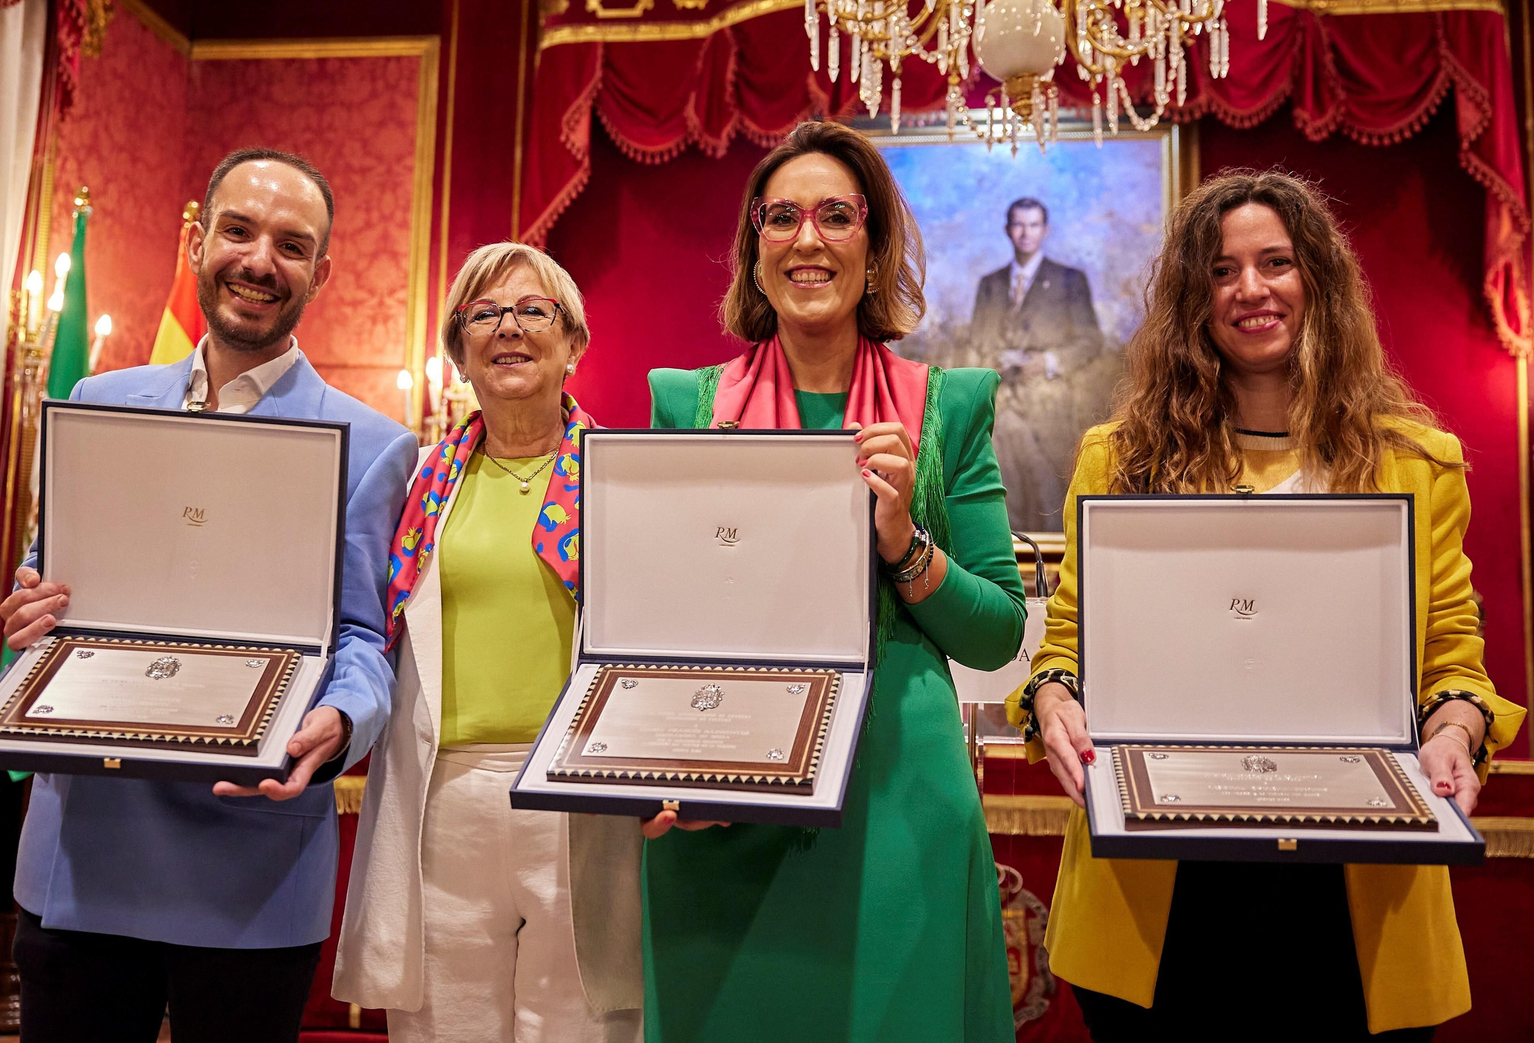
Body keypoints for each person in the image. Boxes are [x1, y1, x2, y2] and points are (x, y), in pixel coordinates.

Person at [1006, 170, 1528, 1040]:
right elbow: (1068, 647)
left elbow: (1452, 656)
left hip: (1355, 889)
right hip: (1159, 893)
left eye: (1276, 262)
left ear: (1317, 280)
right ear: (1190, 298)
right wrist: (1055, 697)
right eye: (1219, 269)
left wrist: (1453, 731)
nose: (1250, 288)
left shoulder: (1418, 462)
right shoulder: (1121, 460)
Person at [0, 148, 416, 1043]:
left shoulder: (373, 444)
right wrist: (32, 606)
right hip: (85, 853)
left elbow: (362, 639)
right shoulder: (98, 399)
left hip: (248, 871)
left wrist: (342, 722)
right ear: (197, 241)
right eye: (238, 230)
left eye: (292, 245)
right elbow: (51, 577)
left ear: (322, 273)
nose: (260, 261)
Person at [640, 119, 1028, 1042]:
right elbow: (647, 625)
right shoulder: (681, 405)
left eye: (835, 216)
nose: (807, 239)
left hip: (899, 805)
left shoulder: (951, 407)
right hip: (721, 796)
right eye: (781, 218)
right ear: (754, 248)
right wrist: (660, 773)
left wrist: (903, 542)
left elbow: (997, 632)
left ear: (875, 241)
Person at [333, 242, 642, 1043]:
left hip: (579, 801)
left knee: (578, 1026)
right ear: (459, 350)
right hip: (446, 801)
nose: (508, 327)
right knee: (442, 1026)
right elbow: (355, 622)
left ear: (573, 342)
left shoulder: (626, 479)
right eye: (484, 313)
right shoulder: (413, 481)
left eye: (533, 310)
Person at [970, 197, 1108, 533]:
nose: (1025, 233)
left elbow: (1091, 341)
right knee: (1004, 497)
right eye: (1018, 224)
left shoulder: (1069, 280)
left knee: (1048, 496)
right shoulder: (991, 283)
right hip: (1002, 408)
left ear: (1045, 230)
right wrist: (990, 360)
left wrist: (1048, 360)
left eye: (1033, 225)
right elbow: (976, 341)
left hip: (1048, 407)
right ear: (1007, 230)